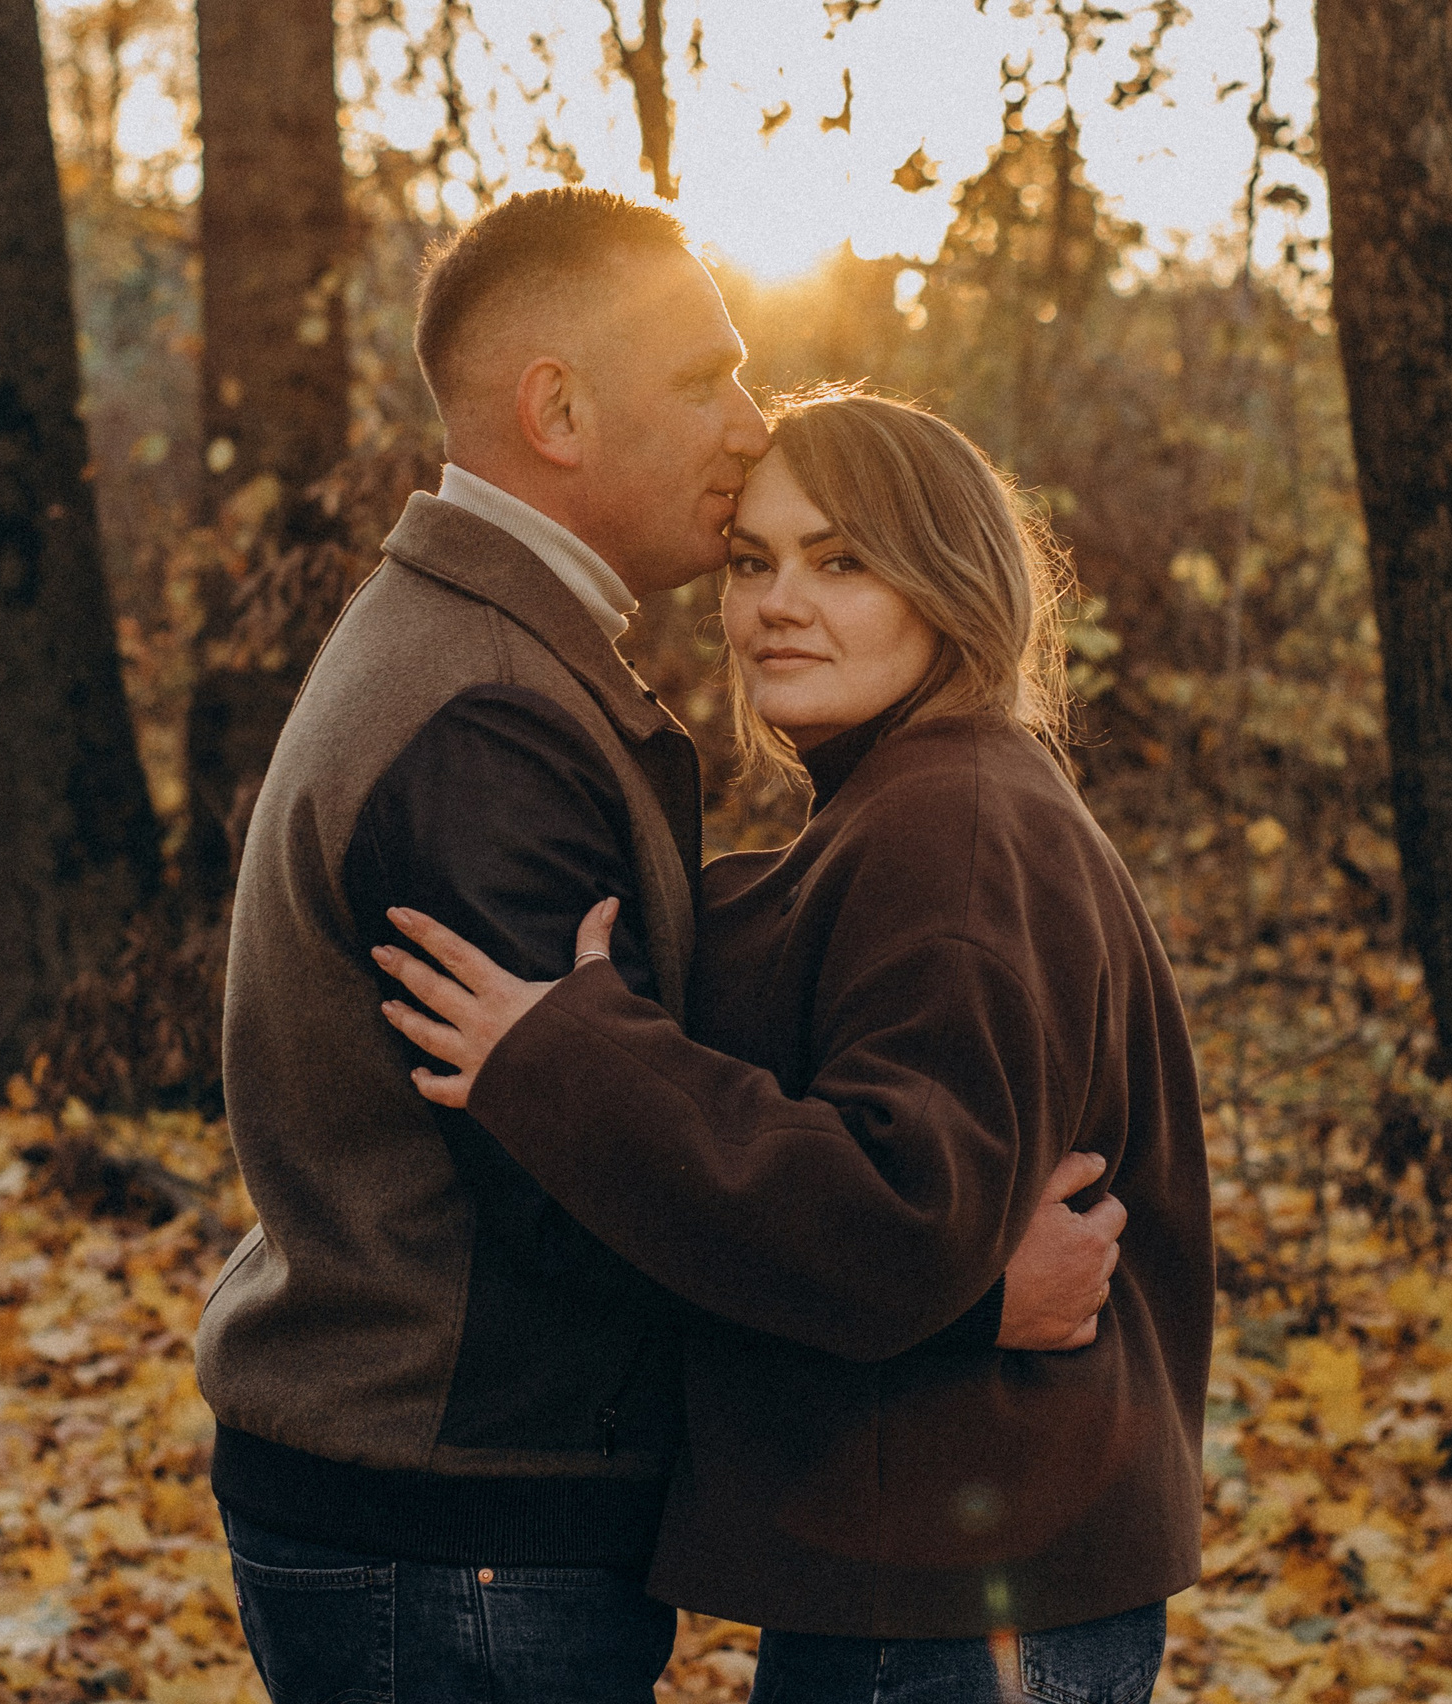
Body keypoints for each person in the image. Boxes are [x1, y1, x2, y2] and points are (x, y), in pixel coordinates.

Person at [193, 193, 1125, 1704]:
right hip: (458, 1520)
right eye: (706, 380)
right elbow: (581, 1191)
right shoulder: (484, 718)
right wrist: (958, 1300)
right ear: (556, 408)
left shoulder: (486, 662)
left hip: (451, 1498)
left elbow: (623, 1098)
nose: (748, 427)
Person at [374, 389, 1214, 1702]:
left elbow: (893, 1219)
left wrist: (571, 1056)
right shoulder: (915, 805)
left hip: (954, 1592)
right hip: (946, 1570)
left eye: (842, 560)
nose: (775, 603)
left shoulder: (956, 825)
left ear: (949, 583)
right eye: (752, 561)